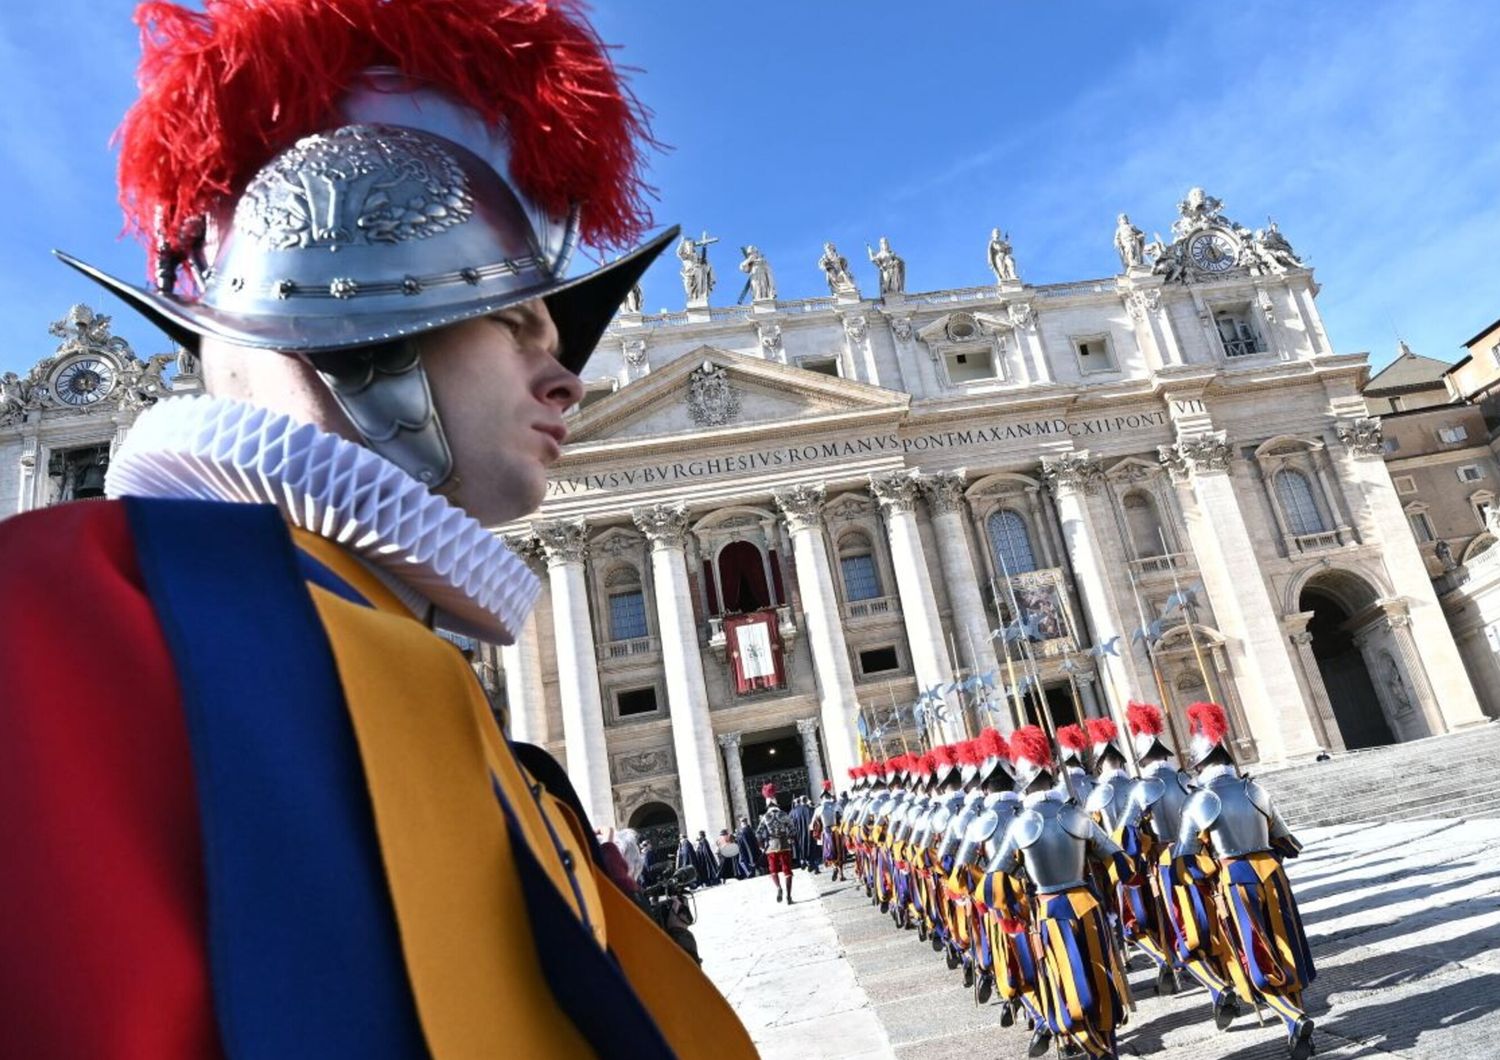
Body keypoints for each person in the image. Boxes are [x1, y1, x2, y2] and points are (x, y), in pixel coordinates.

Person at [0, 2, 756, 1057]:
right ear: (352, 328)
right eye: (512, 317)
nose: (567, 374)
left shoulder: (433, 683)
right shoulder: (62, 631)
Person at [1175, 703, 1317, 1060]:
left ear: (1199, 763)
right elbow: (1287, 843)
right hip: (1272, 874)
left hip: (1234, 878)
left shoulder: (1200, 800)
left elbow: (1186, 861)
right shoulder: (1256, 790)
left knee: (1250, 953)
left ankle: (1292, 1016)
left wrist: (1209, 873)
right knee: (1284, 946)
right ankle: (1297, 1028)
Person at [755, 783, 797, 904]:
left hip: (771, 846)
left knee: (773, 870)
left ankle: (778, 888)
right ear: (776, 802)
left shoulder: (765, 817)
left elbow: (758, 833)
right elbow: (793, 829)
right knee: (787, 870)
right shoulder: (783, 814)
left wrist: (761, 845)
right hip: (784, 844)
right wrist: (791, 838)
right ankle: (789, 896)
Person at [789, 794, 817, 873]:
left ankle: (802, 861)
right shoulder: (810, 809)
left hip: (798, 834)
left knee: (800, 848)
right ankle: (811, 863)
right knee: (811, 848)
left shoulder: (793, 812)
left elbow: (790, 824)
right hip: (810, 833)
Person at [735, 815, 763, 879]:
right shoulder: (750, 829)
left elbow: (743, 842)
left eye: (742, 821)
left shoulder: (743, 831)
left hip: (746, 849)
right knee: (753, 860)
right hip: (752, 848)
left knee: (743, 861)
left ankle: (749, 872)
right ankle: (755, 871)